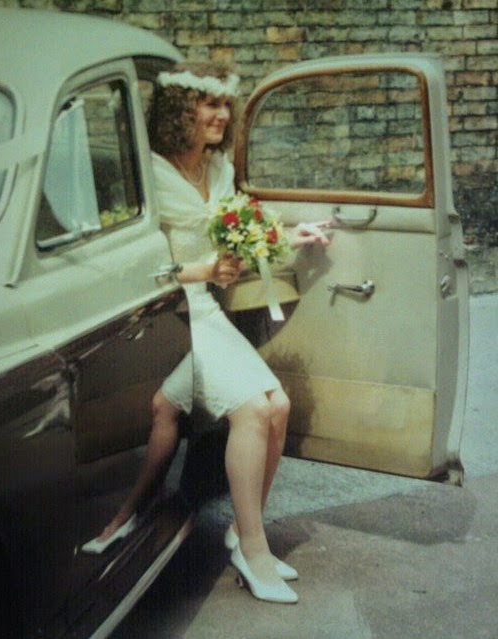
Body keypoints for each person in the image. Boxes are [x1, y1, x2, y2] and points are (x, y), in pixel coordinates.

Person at [82, 62, 331, 604]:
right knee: (256, 408)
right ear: (180, 111)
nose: (221, 115)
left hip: (206, 314)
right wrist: (202, 270)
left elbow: (240, 236)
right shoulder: (149, 175)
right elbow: (127, 267)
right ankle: (253, 550)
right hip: (167, 316)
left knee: (278, 407)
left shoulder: (217, 169)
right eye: (208, 104)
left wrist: (291, 236)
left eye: (225, 105)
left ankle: (240, 529)